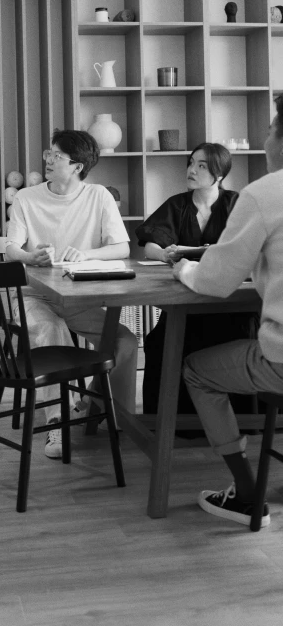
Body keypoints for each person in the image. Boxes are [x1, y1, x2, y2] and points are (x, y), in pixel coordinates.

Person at [172, 96, 283, 527]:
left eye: (272, 130)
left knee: (197, 370)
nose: (266, 137)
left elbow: (215, 281)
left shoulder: (263, 194)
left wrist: (183, 267)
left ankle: (248, 493)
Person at [5, 128, 138, 459]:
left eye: (56, 156)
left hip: (78, 299)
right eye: (48, 154)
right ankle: (57, 423)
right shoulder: (26, 198)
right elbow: (10, 248)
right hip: (32, 295)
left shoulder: (99, 196)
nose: (47, 160)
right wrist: (28, 257)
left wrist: (89, 253)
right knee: (54, 331)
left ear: (77, 166)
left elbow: (121, 246)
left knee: (125, 341)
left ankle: (104, 411)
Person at [135, 143, 259, 418]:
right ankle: (172, 419)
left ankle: (242, 419)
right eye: (191, 162)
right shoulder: (177, 204)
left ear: (219, 175)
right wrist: (165, 254)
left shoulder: (237, 203)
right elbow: (150, 245)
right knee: (160, 340)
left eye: (201, 165)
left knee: (244, 329)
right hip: (186, 303)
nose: (191, 170)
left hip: (230, 302)